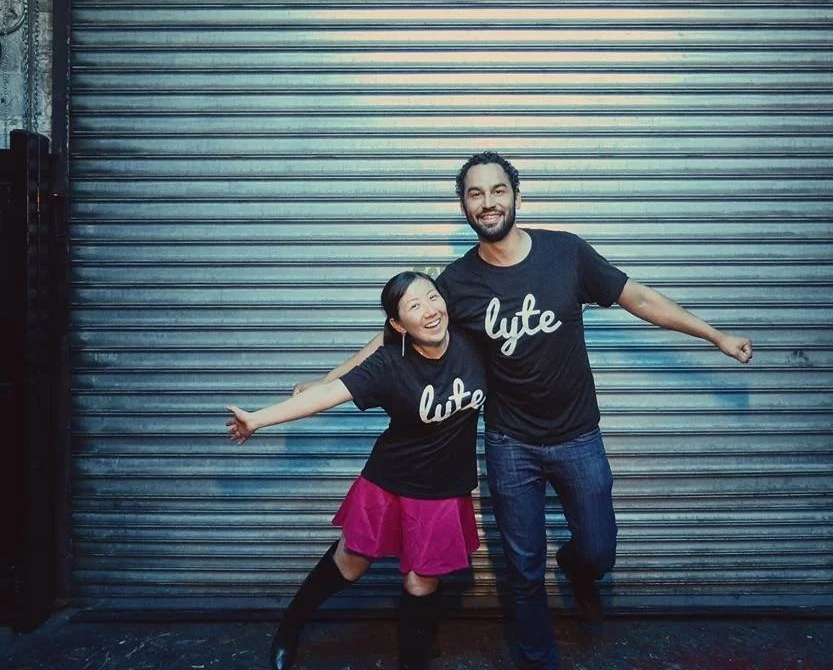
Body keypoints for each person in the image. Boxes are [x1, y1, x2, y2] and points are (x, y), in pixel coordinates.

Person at [296, 152, 754, 670]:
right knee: (522, 569)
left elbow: (640, 298)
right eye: (475, 193)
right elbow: (391, 338)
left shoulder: (566, 253)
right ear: (464, 206)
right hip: (510, 442)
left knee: (600, 548)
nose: (487, 202)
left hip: (578, 434)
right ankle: (540, 661)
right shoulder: (457, 282)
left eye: (497, 190)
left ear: (517, 195)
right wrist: (327, 381)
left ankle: (580, 571)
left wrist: (716, 335)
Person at [226, 271, 485, 670]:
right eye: (414, 306)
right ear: (398, 324)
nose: (430, 311)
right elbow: (330, 396)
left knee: (421, 580)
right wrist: (257, 419)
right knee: (350, 563)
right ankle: (290, 625)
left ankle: (413, 656)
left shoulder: (472, 341)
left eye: (432, 298)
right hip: (391, 482)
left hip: (444, 489)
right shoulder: (388, 364)